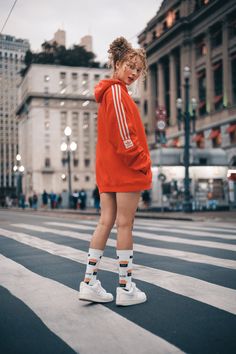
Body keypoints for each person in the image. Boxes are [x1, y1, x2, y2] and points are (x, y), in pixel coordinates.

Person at [79, 37, 152, 306]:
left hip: (110, 171)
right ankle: (125, 287)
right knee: (125, 224)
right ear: (118, 64)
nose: (133, 73)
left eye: (138, 70)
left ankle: (89, 282)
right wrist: (142, 161)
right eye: (130, 66)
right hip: (125, 170)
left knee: (105, 222)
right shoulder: (117, 93)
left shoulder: (109, 93)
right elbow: (124, 136)